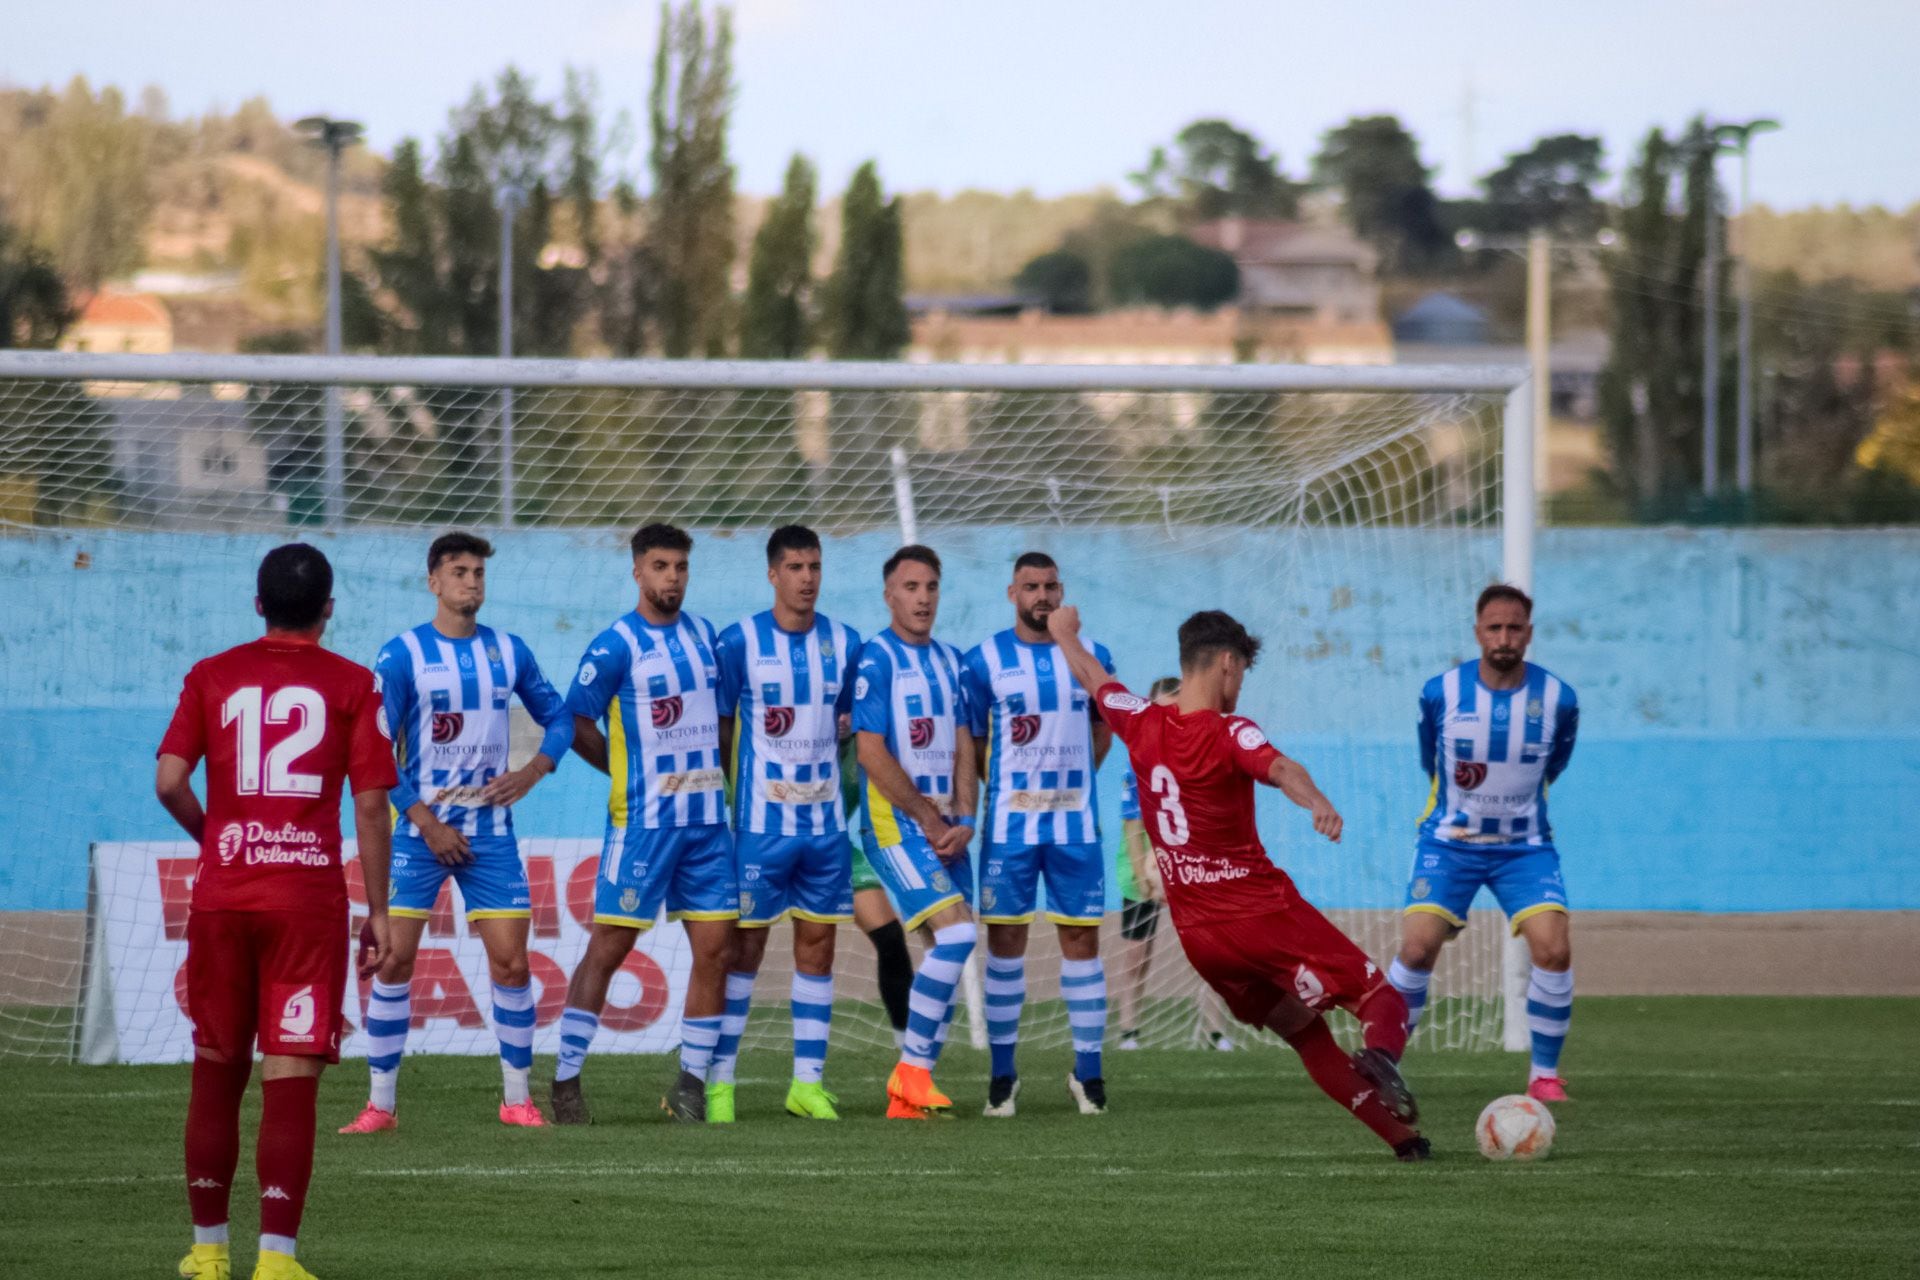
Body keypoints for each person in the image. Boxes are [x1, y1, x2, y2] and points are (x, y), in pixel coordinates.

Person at [1049, 604, 1430, 1161]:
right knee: (1381, 998)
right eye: (1243, 672)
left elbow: (1093, 677)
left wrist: (1064, 633)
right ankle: (1383, 1059)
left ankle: (1406, 1143)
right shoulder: (1231, 731)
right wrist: (1317, 801)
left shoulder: (1140, 718)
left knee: (1305, 1035)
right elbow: (1279, 768)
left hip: (1202, 939)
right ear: (1228, 664)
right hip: (1260, 914)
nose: (1241, 686)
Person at [158, 543, 397, 1280]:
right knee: (290, 1073)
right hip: (304, 903)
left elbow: (168, 780)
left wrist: (219, 839)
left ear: (257, 604)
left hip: (225, 897)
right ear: (329, 608)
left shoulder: (211, 675)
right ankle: (276, 1261)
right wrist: (380, 911)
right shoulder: (356, 684)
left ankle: (205, 1252)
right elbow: (370, 804)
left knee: (216, 1069)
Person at [339, 532, 572, 1134]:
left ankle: (516, 1100)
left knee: (513, 965)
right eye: (459, 572)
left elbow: (561, 718)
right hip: (421, 835)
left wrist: (532, 771)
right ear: (434, 582)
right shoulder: (401, 656)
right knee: (394, 962)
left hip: (489, 834)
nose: (471, 582)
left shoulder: (509, 652)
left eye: (478, 573)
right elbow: (373, 753)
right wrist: (425, 821)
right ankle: (381, 1107)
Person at [548, 523, 737, 1125]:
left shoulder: (709, 637)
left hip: (707, 823)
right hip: (645, 825)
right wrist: (622, 772)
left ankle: (691, 1083)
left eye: (680, 566)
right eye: (660, 566)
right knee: (610, 945)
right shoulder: (615, 645)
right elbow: (575, 719)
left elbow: (727, 720)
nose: (672, 577)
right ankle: (566, 1082)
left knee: (716, 949)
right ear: (637, 571)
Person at [1387, 584, 1580, 1102]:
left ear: (1528, 634)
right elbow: (1432, 761)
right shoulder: (1440, 693)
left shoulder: (1559, 699)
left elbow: (1553, 765)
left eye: (1514, 628)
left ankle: (1543, 1074)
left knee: (1554, 949)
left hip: (1525, 847)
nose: (1504, 637)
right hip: (1449, 843)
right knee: (1416, 946)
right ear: (1477, 632)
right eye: (1494, 627)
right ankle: (1383, 1061)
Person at [708, 525, 863, 1121]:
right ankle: (721, 1085)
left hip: (824, 826)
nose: (807, 578)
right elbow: (721, 727)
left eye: (814, 567)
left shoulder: (846, 643)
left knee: (818, 948)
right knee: (743, 952)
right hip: (758, 826)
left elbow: (851, 718)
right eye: (795, 567)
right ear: (772, 574)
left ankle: (806, 1084)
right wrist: (725, 798)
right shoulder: (739, 641)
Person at [959, 551, 1114, 1117]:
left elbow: (1105, 731)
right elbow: (973, 744)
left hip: (1076, 826)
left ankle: (1089, 1076)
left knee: (1082, 945)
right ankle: (1003, 1078)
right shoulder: (983, 662)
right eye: (1031, 587)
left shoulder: (1094, 655)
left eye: (1050, 586)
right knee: (1005, 948)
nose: (1041, 596)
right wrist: (1008, 788)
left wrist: (1070, 785)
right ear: (1012, 593)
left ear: (1061, 590)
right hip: (1009, 829)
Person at [851, 545, 981, 1118]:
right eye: (910, 587)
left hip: (947, 828)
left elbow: (963, 745)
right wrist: (929, 818)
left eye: (931, 586)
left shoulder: (952, 661)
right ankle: (910, 1071)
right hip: (895, 825)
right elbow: (870, 751)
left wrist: (967, 820)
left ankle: (908, 1096)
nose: (923, 597)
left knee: (942, 956)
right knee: (957, 938)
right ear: (889, 595)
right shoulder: (876, 660)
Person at [1112, 678, 1232, 1053]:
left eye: (1175, 708)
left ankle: (1214, 1031)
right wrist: (1143, 874)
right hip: (1144, 870)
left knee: (1212, 952)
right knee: (1137, 955)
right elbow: (1133, 825)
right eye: (1161, 708)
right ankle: (1129, 1031)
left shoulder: (1194, 755)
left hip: (1189, 867)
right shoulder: (1139, 757)